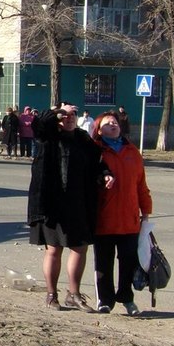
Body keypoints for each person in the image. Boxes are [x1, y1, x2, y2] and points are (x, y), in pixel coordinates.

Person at [27, 104, 113, 312]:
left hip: (79, 202)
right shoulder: (48, 136)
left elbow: (97, 162)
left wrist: (105, 174)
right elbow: (38, 125)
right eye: (64, 116)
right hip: (52, 202)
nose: (69, 119)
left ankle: (74, 294)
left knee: (79, 248)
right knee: (54, 249)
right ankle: (51, 294)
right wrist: (57, 110)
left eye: (73, 115)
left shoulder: (83, 139)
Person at [90, 111, 152, 315]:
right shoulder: (95, 152)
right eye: (107, 123)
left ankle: (127, 297)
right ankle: (105, 300)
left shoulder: (132, 151)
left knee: (128, 261)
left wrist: (146, 211)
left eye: (115, 122)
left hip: (129, 218)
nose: (113, 125)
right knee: (103, 262)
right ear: (99, 130)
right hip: (104, 217)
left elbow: (141, 184)